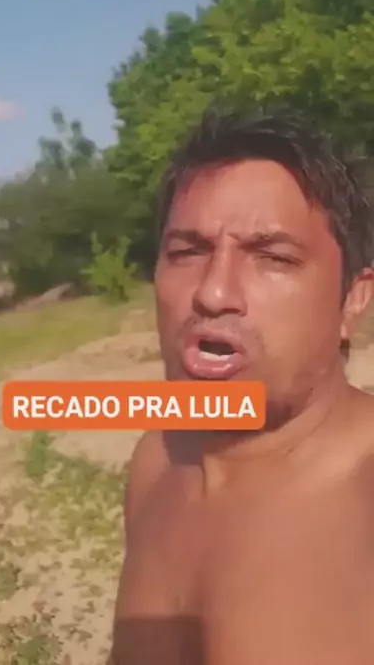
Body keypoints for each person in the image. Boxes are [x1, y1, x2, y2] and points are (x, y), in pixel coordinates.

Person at [109, 106, 374, 665]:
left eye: (273, 257)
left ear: (354, 298)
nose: (213, 293)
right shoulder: (157, 459)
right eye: (187, 252)